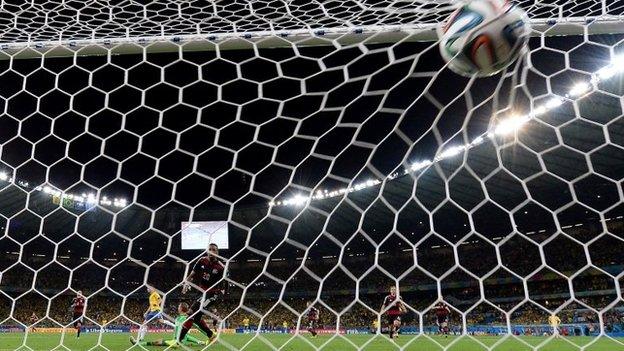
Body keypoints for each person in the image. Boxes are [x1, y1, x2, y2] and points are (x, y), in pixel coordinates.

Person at [178, 243, 226, 344]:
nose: (212, 251)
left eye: (214, 250)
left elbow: (226, 282)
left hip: (212, 294)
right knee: (196, 319)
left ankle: (178, 341)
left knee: (190, 313)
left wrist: (222, 292)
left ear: (217, 252)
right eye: (210, 249)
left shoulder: (221, 267)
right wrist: (186, 283)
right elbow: (192, 273)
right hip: (200, 292)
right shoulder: (201, 260)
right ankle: (211, 336)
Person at [131, 302, 207, 347]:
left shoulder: (187, 319)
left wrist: (208, 335)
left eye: (179, 306)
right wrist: (198, 341)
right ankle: (138, 343)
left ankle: (137, 343)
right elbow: (186, 335)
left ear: (181, 309)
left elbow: (197, 328)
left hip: (176, 342)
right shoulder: (179, 318)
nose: (178, 307)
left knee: (157, 342)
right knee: (158, 342)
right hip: (176, 341)